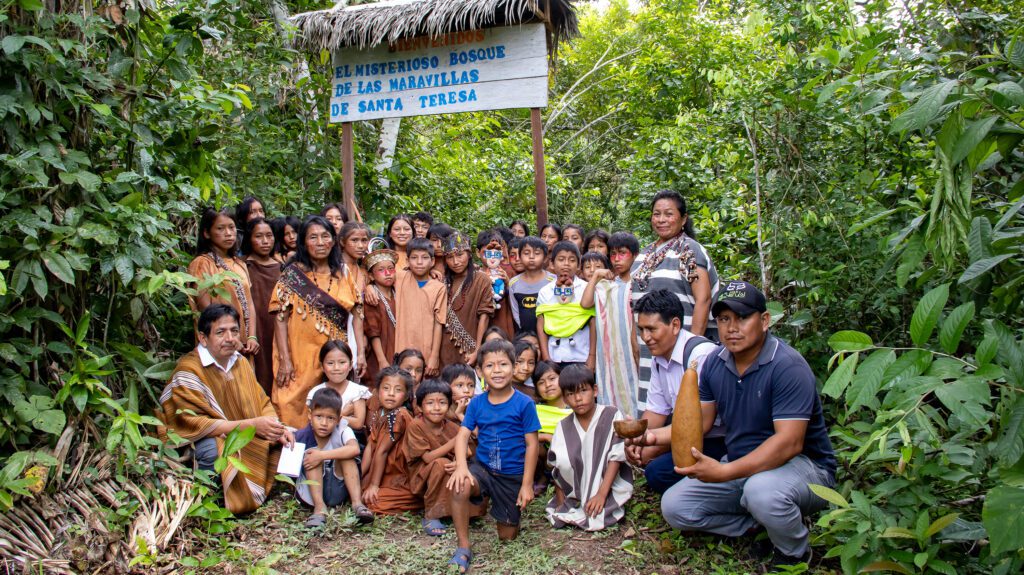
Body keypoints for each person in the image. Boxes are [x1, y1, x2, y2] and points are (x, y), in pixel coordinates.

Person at [634, 282, 836, 568]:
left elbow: (789, 443)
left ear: (764, 321)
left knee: (761, 492)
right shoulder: (716, 363)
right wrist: (650, 439)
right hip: (743, 464)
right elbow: (700, 422)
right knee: (675, 507)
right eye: (725, 319)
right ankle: (758, 526)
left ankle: (794, 552)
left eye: (742, 317)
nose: (731, 328)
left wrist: (724, 470)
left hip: (804, 468)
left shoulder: (787, 366)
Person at [159, 304, 293, 514]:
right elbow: (192, 423)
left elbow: (261, 402)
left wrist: (275, 427)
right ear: (203, 338)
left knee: (291, 438)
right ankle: (210, 503)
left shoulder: (239, 362)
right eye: (220, 332)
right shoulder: (189, 371)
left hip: (239, 432)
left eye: (234, 331)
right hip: (195, 440)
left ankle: (246, 492)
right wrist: (251, 426)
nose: (230, 338)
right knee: (214, 450)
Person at [446, 340, 541, 573]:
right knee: (460, 485)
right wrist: (461, 467)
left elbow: (532, 445)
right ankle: (463, 547)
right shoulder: (477, 403)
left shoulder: (525, 404)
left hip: (511, 475)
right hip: (484, 469)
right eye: (489, 366)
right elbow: (462, 436)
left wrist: (527, 485)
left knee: (507, 537)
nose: (497, 371)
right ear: (480, 371)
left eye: (503, 364)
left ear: (514, 367)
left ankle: (504, 509)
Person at [625, 290, 724, 494]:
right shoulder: (659, 360)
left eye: (652, 329)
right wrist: (638, 436)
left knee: (657, 473)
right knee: (643, 455)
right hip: (687, 436)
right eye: (641, 329)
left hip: (717, 438)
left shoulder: (700, 355)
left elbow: (702, 424)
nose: (645, 337)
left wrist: (650, 437)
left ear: (675, 325)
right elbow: (656, 411)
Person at [631, 191, 720, 414]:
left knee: (687, 412)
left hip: (682, 351)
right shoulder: (644, 255)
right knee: (654, 409)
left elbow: (703, 299)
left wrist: (691, 349)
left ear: (683, 219)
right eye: (656, 214)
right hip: (649, 347)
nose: (661, 219)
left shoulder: (689, 251)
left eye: (668, 214)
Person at [270, 215, 360, 428]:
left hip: (334, 356)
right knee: (291, 402)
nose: (320, 243)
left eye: (325, 236)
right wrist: (285, 359)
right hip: (299, 353)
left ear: (333, 240)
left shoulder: (343, 273)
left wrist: (360, 354)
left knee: (330, 407)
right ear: (303, 242)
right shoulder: (293, 275)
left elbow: (357, 314)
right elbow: (279, 319)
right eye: (313, 237)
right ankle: (292, 455)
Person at [546, 364, 633, 531]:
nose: (578, 399)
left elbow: (616, 457)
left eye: (583, 391)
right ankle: (578, 500)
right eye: (570, 394)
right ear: (564, 399)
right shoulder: (563, 427)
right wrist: (560, 502)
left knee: (597, 516)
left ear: (595, 390)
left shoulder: (611, 415)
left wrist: (601, 494)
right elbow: (557, 468)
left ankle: (600, 499)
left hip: (606, 485)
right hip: (576, 491)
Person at [404, 379, 486, 536]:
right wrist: (456, 441)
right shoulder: (416, 425)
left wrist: (458, 462)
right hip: (422, 476)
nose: (436, 408)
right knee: (440, 464)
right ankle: (432, 514)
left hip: (448, 469)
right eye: (430, 403)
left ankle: (462, 511)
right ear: (420, 407)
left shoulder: (451, 426)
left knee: (464, 468)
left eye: (442, 402)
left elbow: (468, 452)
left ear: (449, 405)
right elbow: (427, 458)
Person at [580, 231, 642, 417]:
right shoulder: (606, 285)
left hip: (635, 350)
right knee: (612, 395)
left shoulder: (641, 282)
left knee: (638, 393)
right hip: (609, 354)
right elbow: (585, 303)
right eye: (613, 255)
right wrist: (596, 275)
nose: (616, 259)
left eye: (622, 254)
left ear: (635, 255)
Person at [296, 387, 374, 527]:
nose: (324, 423)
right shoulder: (303, 435)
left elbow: (354, 449)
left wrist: (322, 455)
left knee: (346, 455)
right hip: (311, 495)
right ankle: (319, 509)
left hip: (338, 490)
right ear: (309, 415)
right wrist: (317, 456)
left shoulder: (343, 429)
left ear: (339, 419)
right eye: (319, 416)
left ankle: (357, 504)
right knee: (312, 456)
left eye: (330, 418)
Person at [188, 208, 259, 355]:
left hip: (244, 343)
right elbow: (205, 307)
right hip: (219, 342)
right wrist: (231, 338)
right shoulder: (202, 263)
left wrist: (252, 336)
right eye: (220, 228)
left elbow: (249, 302)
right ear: (207, 233)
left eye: (231, 227)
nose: (228, 233)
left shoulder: (239, 263)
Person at [362, 366, 420, 514]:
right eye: (386, 388)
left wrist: (374, 485)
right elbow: (370, 446)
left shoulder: (399, 415)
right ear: (377, 391)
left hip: (397, 474)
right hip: (381, 470)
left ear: (407, 396)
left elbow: (382, 451)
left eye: (398, 390)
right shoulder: (380, 412)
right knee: (359, 493)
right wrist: (360, 476)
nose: (391, 394)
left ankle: (416, 501)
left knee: (374, 503)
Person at [536, 241, 595, 371]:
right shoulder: (545, 292)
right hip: (554, 356)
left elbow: (593, 322)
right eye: (561, 259)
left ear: (579, 265)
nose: (566, 264)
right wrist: (546, 358)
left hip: (581, 356)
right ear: (552, 263)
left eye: (572, 260)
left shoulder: (587, 289)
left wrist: (592, 357)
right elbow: (541, 326)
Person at [440, 232, 494, 367]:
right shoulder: (442, 281)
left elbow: (485, 316)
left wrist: (477, 350)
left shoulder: (481, 279)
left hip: (469, 350)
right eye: (450, 257)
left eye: (459, 255)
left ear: (469, 254)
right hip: (444, 347)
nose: (455, 262)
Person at [395, 238, 447, 378]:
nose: (419, 262)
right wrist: (370, 287)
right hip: (401, 345)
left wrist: (434, 356)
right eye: (414, 258)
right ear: (407, 261)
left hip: (426, 347)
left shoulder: (438, 288)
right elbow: (377, 280)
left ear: (433, 261)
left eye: (424, 258)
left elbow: (439, 323)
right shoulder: (399, 278)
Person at [242, 218, 281, 395]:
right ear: (249, 238)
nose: (265, 241)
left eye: (269, 236)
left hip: (277, 326)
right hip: (254, 328)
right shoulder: (242, 265)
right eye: (259, 236)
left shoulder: (282, 267)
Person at [305, 340, 371, 432]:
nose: (336, 368)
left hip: (349, 440)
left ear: (351, 365)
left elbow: (358, 423)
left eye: (342, 362)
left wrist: (330, 417)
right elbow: (313, 421)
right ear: (322, 366)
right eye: (330, 363)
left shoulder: (357, 391)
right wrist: (344, 413)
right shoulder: (316, 392)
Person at [362, 246, 399, 387]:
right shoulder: (372, 298)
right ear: (371, 276)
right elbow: (373, 332)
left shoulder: (398, 292)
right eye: (381, 270)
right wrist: (381, 359)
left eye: (391, 269)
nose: (387, 273)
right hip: (381, 349)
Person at [339, 221, 372, 380]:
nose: (360, 245)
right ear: (342, 242)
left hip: (358, 332)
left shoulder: (364, 273)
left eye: (364, 240)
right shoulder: (335, 270)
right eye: (354, 240)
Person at [508, 236, 555, 335]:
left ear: (545, 258)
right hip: (525, 335)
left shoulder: (553, 281)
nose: (531, 257)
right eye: (526, 253)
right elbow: (515, 312)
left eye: (537, 253)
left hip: (550, 334)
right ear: (520, 257)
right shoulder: (513, 283)